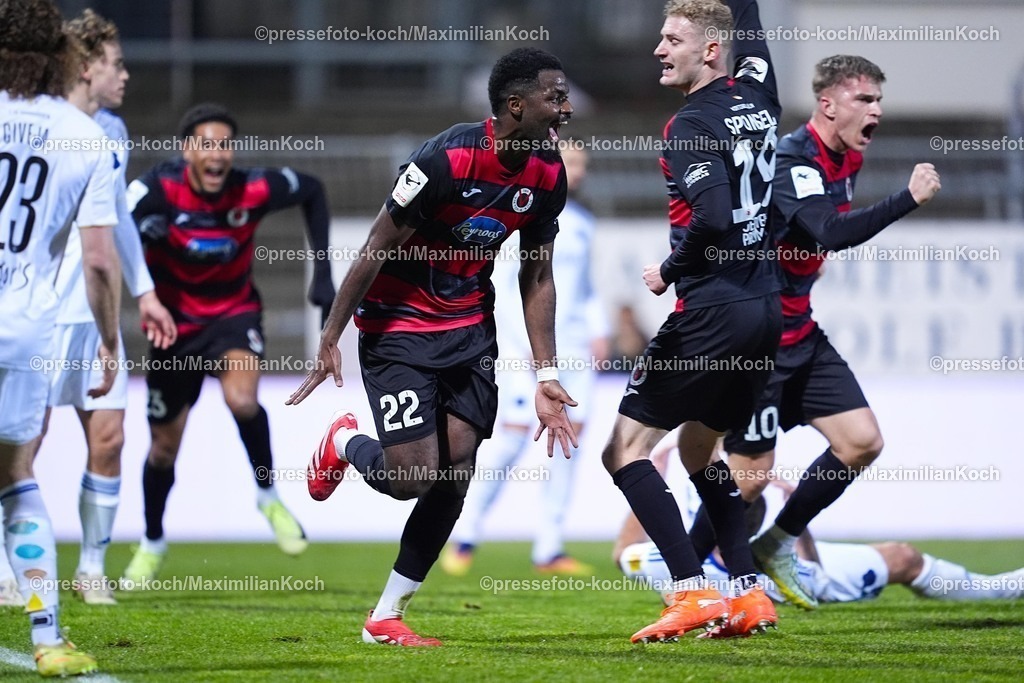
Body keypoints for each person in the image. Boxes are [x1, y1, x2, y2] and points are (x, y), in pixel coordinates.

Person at [287, 47, 579, 647]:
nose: (565, 108)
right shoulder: (445, 160)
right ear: (515, 106)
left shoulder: (548, 173)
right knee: (413, 476)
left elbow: (537, 274)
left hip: (469, 330)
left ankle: (386, 617)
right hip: (397, 330)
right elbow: (375, 245)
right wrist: (330, 336)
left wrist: (546, 371)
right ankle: (345, 440)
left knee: (457, 472)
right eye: (555, 97)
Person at [683, 55, 942, 610]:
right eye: (863, 100)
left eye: (878, 101)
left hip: (802, 332)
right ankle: (683, 575)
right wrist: (908, 199)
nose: (875, 111)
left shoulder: (845, 157)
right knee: (749, 478)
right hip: (762, 342)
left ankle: (776, 543)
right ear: (827, 104)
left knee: (861, 442)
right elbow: (827, 229)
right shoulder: (795, 159)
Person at [600, 0, 783, 643]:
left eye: (672, 38)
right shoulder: (760, 93)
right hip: (765, 309)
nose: (658, 48)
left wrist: (668, 271)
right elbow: (753, 36)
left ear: (709, 51)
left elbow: (711, 217)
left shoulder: (690, 125)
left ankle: (689, 592)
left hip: (712, 310)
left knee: (623, 450)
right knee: (702, 449)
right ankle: (749, 593)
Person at [121, 103, 336, 585]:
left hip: (234, 317)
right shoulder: (158, 189)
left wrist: (323, 278)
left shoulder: (252, 187)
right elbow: (111, 225)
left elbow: (315, 191)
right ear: (187, 151)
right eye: (206, 144)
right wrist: (138, 233)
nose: (217, 154)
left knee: (242, 399)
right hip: (174, 330)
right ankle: (152, 541)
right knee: (162, 450)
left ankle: (267, 496)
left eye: (224, 144)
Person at [33, 9, 176, 606]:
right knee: (21, 445)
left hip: (94, 315)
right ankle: (10, 569)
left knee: (111, 438)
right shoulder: (34, 126)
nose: (125, 75)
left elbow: (115, 223)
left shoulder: (111, 133)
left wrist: (144, 291)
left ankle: (91, 569)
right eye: (116, 64)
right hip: (35, 314)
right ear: (87, 66)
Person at [0, 0, 121, 674]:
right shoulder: (83, 136)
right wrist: (109, 340)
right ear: (61, 58)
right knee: (17, 476)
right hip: (23, 328)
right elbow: (99, 259)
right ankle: (47, 638)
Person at [441, 144, 609, 577]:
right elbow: (509, 290)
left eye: (582, 167)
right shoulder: (523, 218)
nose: (577, 173)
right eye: (571, 164)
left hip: (574, 350)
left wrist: (598, 329)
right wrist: (525, 352)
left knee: (568, 446)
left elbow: (585, 285)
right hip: (530, 351)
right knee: (513, 441)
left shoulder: (584, 223)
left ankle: (549, 548)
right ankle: (464, 532)